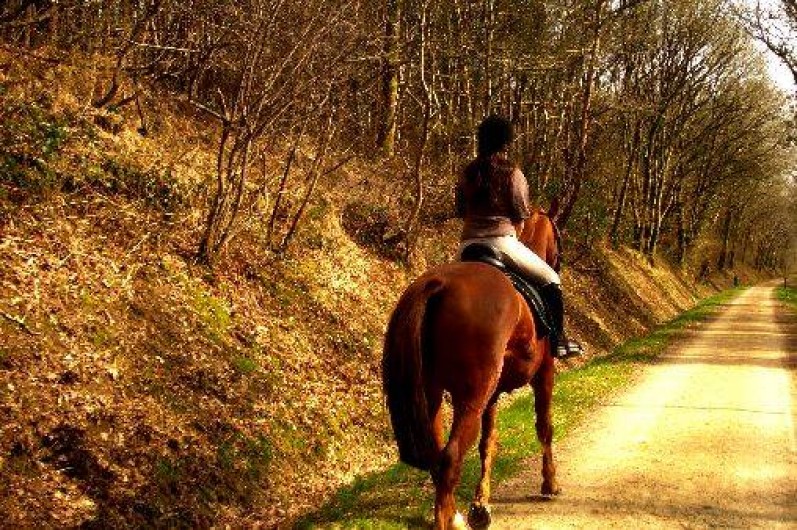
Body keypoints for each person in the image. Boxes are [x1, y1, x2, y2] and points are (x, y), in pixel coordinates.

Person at [455, 115, 583, 359]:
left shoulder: (466, 173)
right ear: (505, 143)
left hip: (467, 245)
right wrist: (516, 234)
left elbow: (461, 211)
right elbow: (521, 215)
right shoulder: (512, 174)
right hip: (502, 243)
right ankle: (558, 342)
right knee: (551, 278)